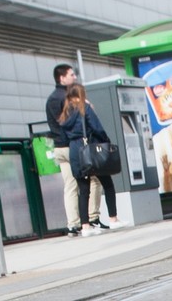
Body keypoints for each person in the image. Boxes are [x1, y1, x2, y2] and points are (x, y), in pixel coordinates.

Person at [46, 64, 106, 237]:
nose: (74, 77)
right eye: (71, 75)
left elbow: (57, 124)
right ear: (62, 78)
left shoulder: (52, 98)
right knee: (93, 179)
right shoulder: (69, 99)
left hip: (59, 147)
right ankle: (92, 218)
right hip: (75, 146)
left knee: (70, 186)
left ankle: (73, 224)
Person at [59, 84, 120, 236]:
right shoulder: (84, 108)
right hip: (89, 149)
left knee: (83, 189)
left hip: (75, 150)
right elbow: (97, 128)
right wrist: (105, 140)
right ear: (81, 94)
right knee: (108, 183)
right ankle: (113, 219)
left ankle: (85, 226)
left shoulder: (65, 113)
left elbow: (64, 135)